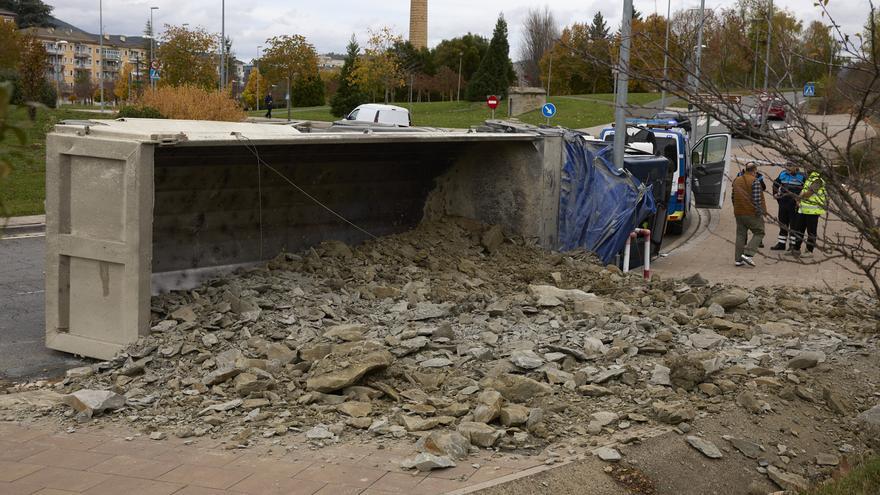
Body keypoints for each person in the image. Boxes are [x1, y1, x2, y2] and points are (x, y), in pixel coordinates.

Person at [731, 162, 767, 267]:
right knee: (759, 232)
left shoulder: (737, 180)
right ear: (754, 171)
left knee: (740, 235)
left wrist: (736, 208)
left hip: (738, 212)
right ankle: (748, 254)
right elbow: (757, 200)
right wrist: (759, 213)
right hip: (751, 213)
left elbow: (733, 197)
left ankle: (738, 260)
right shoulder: (754, 181)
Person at [789, 170, 826, 258]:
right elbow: (804, 190)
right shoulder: (809, 179)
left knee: (811, 232)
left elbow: (809, 193)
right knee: (799, 230)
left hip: (813, 211)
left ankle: (809, 251)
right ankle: (796, 249)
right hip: (803, 209)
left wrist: (798, 197)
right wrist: (798, 199)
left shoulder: (818, 180)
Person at [771, 162, 806, 250]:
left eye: (790, 167)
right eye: (787, 167)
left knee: (794, 225)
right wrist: (775, 194)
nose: (788, 169)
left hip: (794, 204)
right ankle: (781, 244)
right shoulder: (783, 173)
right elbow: (775, 183)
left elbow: (806, 190)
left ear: (796, 166)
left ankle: (792, 245)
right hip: (783, 203)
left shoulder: (802, 176)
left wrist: (800, 200)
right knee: (783, 223)